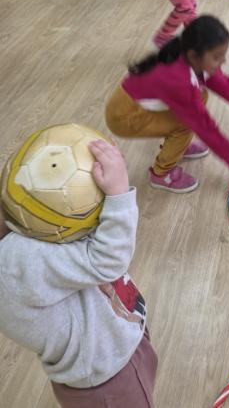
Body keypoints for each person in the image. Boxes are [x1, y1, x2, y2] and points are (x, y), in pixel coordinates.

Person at [0, 139, 157, 408]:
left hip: (115, 346)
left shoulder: (15, 242)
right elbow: (106, 259)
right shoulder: (14, 261)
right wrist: (117, 194)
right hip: (110, 377)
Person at [105, 15, 229, 194]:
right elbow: (203, 126)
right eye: (217, 57)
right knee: (185, 125)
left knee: (200, 97)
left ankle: (177, 147)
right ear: (194, 55)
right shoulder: (178, 80)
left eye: (223, 55)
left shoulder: (194, 60)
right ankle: (161, 174)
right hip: (125, 117)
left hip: (139, 106)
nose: (223, 62)